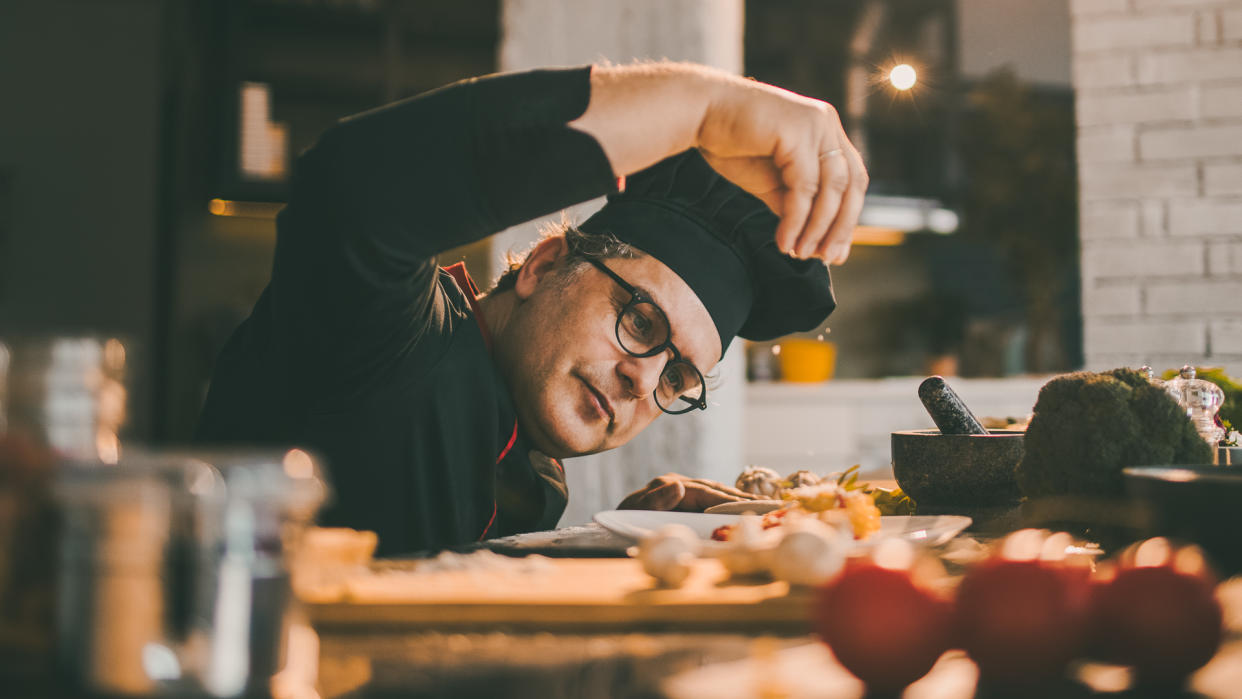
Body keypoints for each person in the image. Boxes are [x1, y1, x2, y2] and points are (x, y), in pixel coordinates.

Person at [196, 62, 868, 554]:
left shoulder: (538, 479)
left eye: (676, 379)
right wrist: (706, 110)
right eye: (639, 321)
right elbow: (350, 185)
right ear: (546, 265)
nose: (643, 381)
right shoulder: (387, 327)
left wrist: (609, 543)